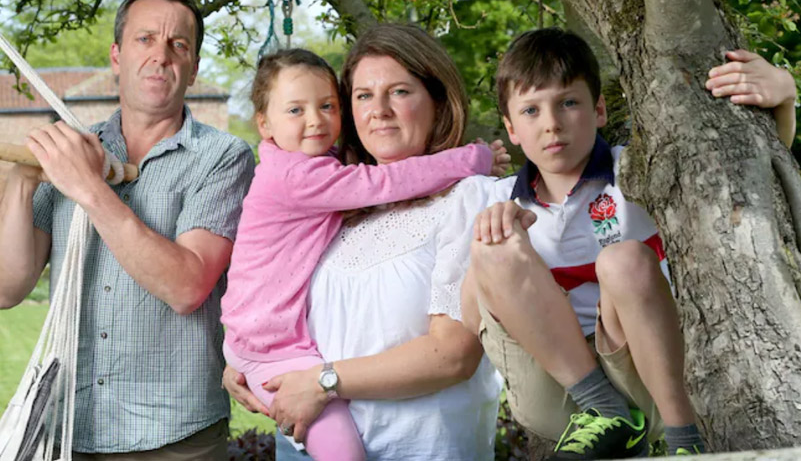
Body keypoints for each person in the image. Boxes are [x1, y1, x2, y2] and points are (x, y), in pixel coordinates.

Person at [460, 27, 798, 460]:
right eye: (530, 110)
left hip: (646, 372)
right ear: (510, 129)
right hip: (557, 388)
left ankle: (685, 442)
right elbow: (474, 322)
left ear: (599, 109)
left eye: (568, 102)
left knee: (622, 259)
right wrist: (494, 249)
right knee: (492, 244)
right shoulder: (494, 198)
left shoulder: (636, 171)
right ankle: (602, 408)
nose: (551, 123)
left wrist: (784, 96)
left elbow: (743, 183)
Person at [224, 23, 508, 461]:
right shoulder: (338, 200)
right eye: (362, 95)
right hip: (304, 442)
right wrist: (248, 360)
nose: (378, 110)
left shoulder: (469, 198)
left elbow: (453, 356)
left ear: (437, 99)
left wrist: (321, 381)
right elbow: (279, 290)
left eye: (399, 92)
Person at [0, 0, 254, 459]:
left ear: (193, 68)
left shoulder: (224, 158)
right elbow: (7, 289)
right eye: (145, 39)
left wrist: (90, 189)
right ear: (117, 56)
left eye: (178, 45)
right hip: (69, 426)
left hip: (175, 437)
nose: (161, 55)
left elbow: (187, 285)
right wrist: (21, 181)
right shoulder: (74, 150)